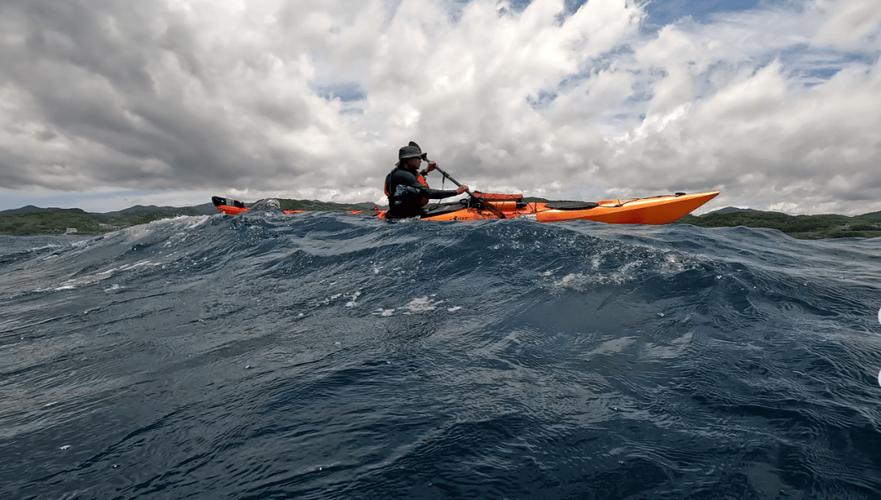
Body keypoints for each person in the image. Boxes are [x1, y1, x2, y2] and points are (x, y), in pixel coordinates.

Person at [384, 142, 468, 218]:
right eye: (418, 158)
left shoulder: (401, 172)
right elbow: (428, 193)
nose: (420, 160)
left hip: (406, 213)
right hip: (403, 218)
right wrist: (456, 192)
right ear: (408, 160)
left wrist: (427, 170)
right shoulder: (403, 175)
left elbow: (412, 180)